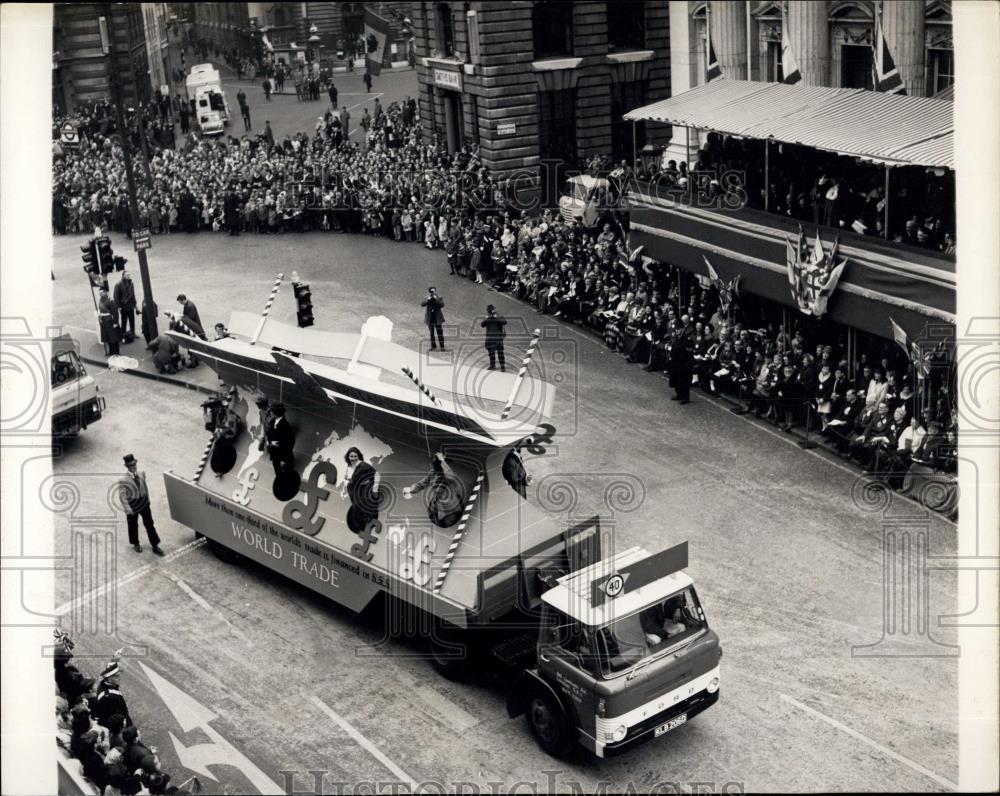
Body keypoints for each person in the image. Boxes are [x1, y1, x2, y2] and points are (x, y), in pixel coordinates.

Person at [403, 452, 465, 527]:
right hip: (441, 499)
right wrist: (411, 490)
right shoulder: (433, 472)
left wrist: (442, 461)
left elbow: (451, 475)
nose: (433, 468)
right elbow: (422, 484)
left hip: (451, 500)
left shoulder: (447, 474)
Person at [120, 454, 163, 555]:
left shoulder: (141, 473)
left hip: (143, 502)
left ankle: (155, 545)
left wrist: (147, 499)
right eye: (131, 465)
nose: (134, 467)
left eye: (135, 464)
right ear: (127, 467)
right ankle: (135, 543)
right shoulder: (123, 480)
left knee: (149, 524)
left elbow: (145, 486)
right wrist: (128, 509)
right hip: (133, 504)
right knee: (133, 525)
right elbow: (122, 497)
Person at [341, 447, 381, 533]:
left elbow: (377, 474)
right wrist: (349, 479)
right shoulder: (350, 466)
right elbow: (357, 478)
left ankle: (368, 525)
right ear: (348, 457)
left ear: (359, 456)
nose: (353, 458)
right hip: (355, 494)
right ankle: (361, 527)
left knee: (364, 510)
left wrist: (375, 488)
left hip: (363, 493)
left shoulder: (363, 465)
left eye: (355, 456)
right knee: (358, 511)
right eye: (351, 456)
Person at [263, 403, 295, 475]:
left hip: (283, 456)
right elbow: (270, 434)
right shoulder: (272, 422)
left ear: (275, 413)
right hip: (275, 455)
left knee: (286, 472)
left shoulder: (285, 426)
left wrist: (284, 460)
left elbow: (290, 443)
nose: (270, 413)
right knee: (277, 471)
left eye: (271, 411)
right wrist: (269, 442)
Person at [670, 314, 695, 404]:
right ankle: (679, 394)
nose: (677, 331)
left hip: (684, 364)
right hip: (676, 363)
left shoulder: (688, 340)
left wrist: (687, 365)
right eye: (676, 329)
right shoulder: (676, 339)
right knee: (676, 380)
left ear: (683, 329)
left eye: (679, 329)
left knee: (684, 381)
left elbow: (689, 354)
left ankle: (685, 397)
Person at [112, 272, 137, 343]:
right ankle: (123, 335)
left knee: (132, 320)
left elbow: (133, 294)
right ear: (123, 276)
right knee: (124, 321)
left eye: (129, 275)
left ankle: (133, 333)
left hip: (130, 306)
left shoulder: (131, 283)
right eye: (127, 275)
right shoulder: (118, 284)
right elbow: (116, 297)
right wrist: (119, 306)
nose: (129, 276)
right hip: (123, 307)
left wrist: (135, 304)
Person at [481, 304, 506, 371]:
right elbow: (482, 324)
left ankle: (501, 367)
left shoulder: (498, 316)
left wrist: (496, 317)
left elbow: (504, 322)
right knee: (493, 352)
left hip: (495, 338)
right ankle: (494, 366)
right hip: (492, 338)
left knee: (499, 353)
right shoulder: (488, 317)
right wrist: (488, 318)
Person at [98, 287, 122, 356]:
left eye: (102, 292)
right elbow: (100, 311)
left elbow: (115, 312)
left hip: (110, 321)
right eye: (100, 293)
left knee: (114, 338)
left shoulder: (111, 301)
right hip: (104, 321)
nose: (101, 294)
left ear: (106, 292)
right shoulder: (101, 300)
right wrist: (100, 317)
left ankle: (116, 352)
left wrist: (115, 322)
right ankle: (111, 351)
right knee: (108, 338)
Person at [421, 286, 446, 351]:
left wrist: (436, 299)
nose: (433, 292)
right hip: (430, 318)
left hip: (437, 318)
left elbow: (442, 304)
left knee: (440, 333)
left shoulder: (439, 297)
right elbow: (422, 304)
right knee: (431, 333)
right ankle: (433, 346)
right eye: (432, 291)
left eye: (434, 291)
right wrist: (428, 300)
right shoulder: (427, 297)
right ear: (429, 292)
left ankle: (442, 346)